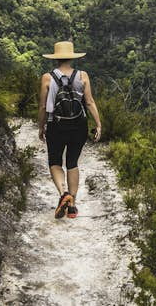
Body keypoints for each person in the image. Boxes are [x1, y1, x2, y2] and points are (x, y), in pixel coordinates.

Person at [38, 41, 102, 219]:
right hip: (79, 125)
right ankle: (72, 204)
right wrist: (98, 124)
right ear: (72, 57)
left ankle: (63, 194)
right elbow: (89, 102)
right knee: (72, 162)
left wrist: (41, 127)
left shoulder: (47, 78)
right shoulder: (82, 76)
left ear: (56, 58)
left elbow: (43, 106)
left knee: (55, 161)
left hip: (56, 125)